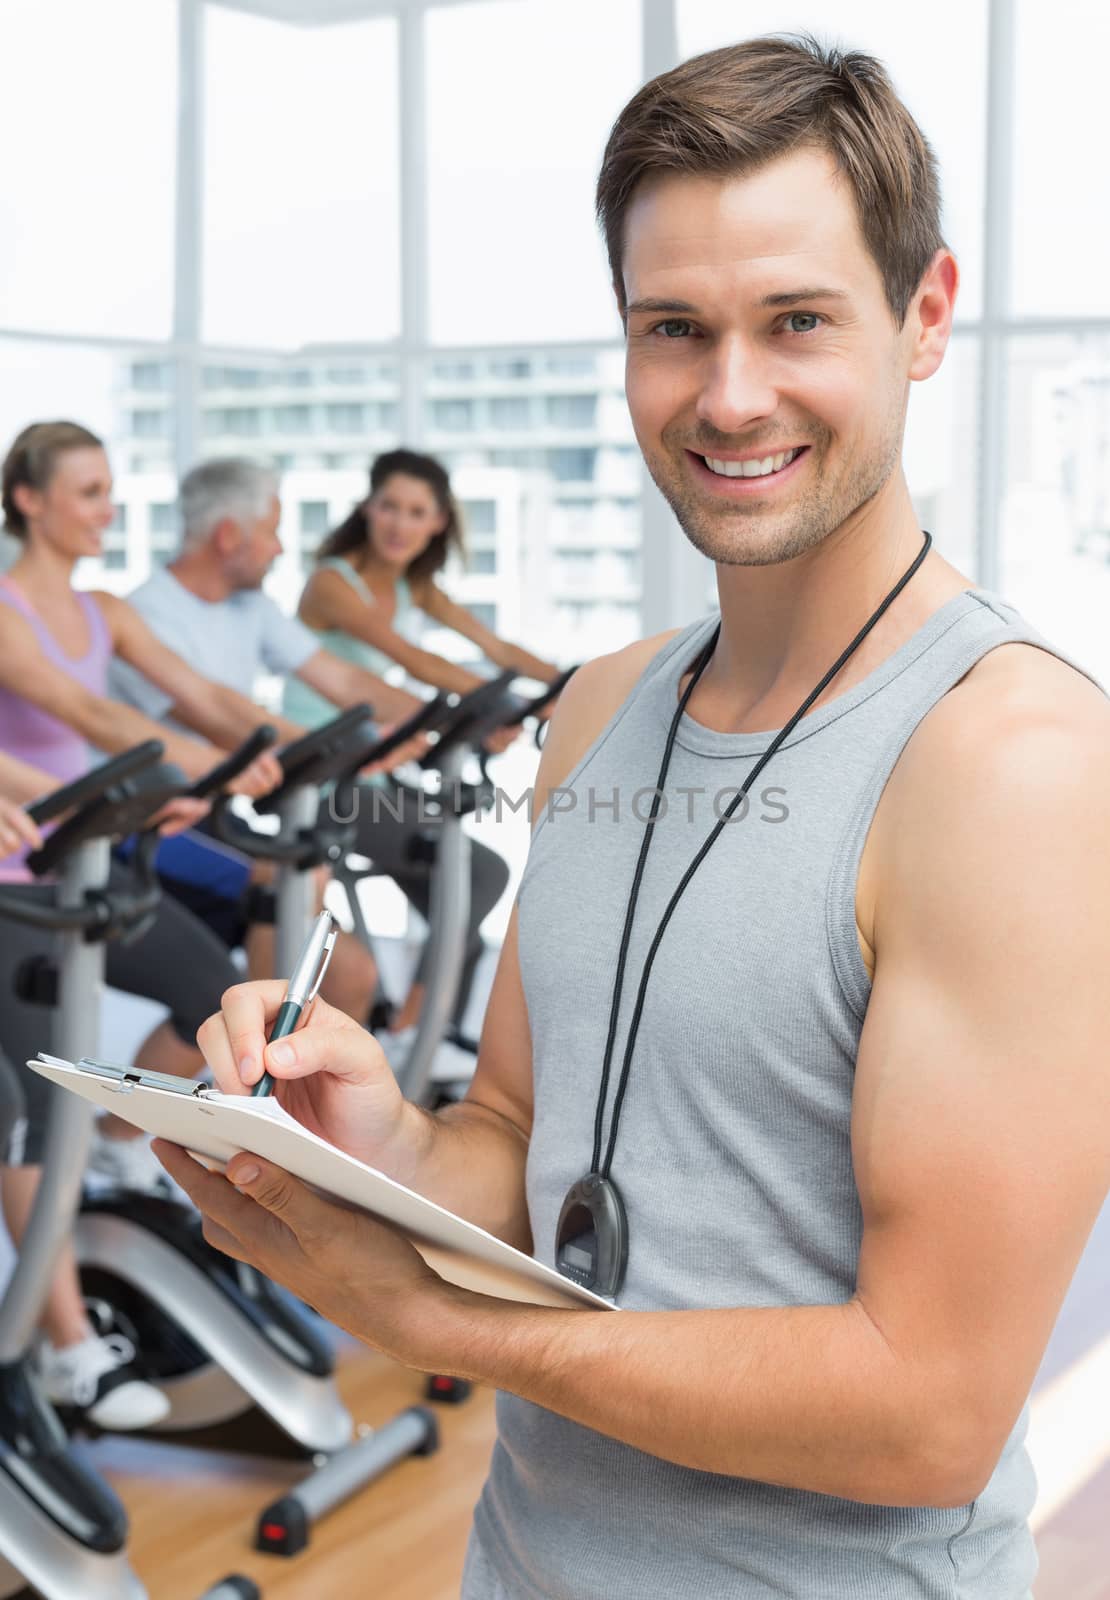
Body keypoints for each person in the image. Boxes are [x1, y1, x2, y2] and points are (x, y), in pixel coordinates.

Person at [156, 36, 1110, 1600]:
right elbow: (521, 1148)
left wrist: (422, 1319)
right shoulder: (601, 705)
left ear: (922, 317)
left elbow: (927, 1411)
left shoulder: (1009, 759)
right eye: (674, 329)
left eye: (795, 320)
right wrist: (378, 1135)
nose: (728, 397)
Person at [0, 421, 281, 1426]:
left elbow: (197, 695)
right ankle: (69, 1345)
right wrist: (172, 773)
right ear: (28, 501)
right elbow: (84, 713)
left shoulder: (102, 607)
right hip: (13, 881)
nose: (107, 510)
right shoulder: (5, 610)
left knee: (215, 991)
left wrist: (266, 748)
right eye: (87, 492)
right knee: (30, 1102)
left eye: (110, 491)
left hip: (84, 856)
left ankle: (119, 1138)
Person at [285, 447, 559, 1034]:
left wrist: (571, 685)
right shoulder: (333, 583)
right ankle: (416, 1030)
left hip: (375, 772)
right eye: (389, 507)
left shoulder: (415, 586)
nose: (398, 524)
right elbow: (411, 658)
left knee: (474, 875)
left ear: (438, 522)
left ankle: (421, 1030)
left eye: (416, 512)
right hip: (324, 781)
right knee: (471, 871)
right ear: (367, 507)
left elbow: (499, 650)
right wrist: (500, 706)